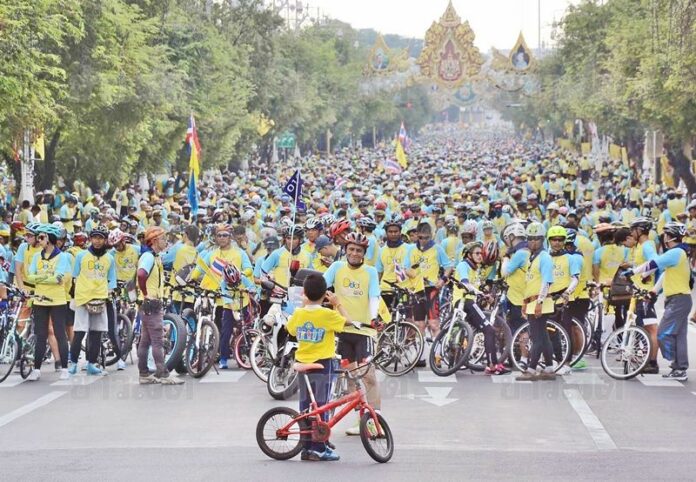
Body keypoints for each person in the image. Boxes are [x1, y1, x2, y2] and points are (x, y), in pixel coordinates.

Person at [286, 273, 350, 462]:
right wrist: (337, 303)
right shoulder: (328, 315)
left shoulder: (299, 313)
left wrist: (302, 306)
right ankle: (319, 448)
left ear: (304, 293)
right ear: (325, 294)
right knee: (321, 406)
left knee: (306, 406)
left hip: (302, 363)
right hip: (323, 363)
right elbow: (347, 321)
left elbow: (290, 329)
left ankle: (306, 446)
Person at [323, 232, 382, 436]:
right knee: (351, 376)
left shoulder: (370, 271)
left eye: (359, 250)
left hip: (364, 330)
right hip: (341, 330)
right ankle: (360, 419)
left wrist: (373, 317)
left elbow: (374, 296)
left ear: (364, 253)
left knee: (368, 375)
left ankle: (373, 421)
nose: (354, 253)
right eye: (351, 249)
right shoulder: (337, 267)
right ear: (345, 250)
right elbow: (321, 285)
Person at [623, 222, 691, 381]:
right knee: (679, 336)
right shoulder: (679, 253)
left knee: (663, 334)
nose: (663, 238)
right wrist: (653, 292)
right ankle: (680, 369)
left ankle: (674, 362)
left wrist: (633, 271)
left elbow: (654, 263)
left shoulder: (676, 252)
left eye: (665, 235)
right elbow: (665, 275)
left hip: (678, 300)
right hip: (680, 299)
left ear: (669, 237)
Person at [136, 226, 183, 384]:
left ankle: (143, 373)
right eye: (163, 239)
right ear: (155, 241)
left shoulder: (153, 257)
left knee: (146, 340)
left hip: (148, 302)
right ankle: (163, 374)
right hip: (151, 302)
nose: (166, 242)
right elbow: (141, 275)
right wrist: (146, 294)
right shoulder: (149, 257)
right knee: (157, 340)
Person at [454, 241, 509, 375]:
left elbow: (477, 288)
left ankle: (458, 360)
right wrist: (479, 293)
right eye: (477, 253)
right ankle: (492, 365)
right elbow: (465, 283)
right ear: (468, 255)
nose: (480, 256)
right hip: (464, 301)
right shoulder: (463, 265)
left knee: (486, 330)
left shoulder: (475, 269)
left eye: (481, 253)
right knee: (489, 330)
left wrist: (486, 295)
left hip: (469, 302)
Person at [26, 224, 72, 381]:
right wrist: (47, 278)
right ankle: (36, 369)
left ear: (50, 239)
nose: (38, 240)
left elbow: (58, 279)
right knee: (41, 335)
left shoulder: (63, 257)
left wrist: (40, 278)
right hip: (39, 300)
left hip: (58, 300)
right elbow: (29, 277)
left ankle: (65, 368)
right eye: (38, 237)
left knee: (60, 334)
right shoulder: (36, 257)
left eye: (41, 237)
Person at [69, 225, 116, 376]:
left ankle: (91, 363)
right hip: (83, 297)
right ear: (90, 239)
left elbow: (112, 280)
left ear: (105, 240)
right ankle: (74, 363)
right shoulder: (81, 256)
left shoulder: (109, 258)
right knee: (79, 331)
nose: (97, 241)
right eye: (95, 237)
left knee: (96, 332)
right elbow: (75, 275)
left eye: (101, 238)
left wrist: (111, 292)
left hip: (100, 298)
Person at [517, 222, 557, 381]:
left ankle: (532, 369)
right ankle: (549, 368)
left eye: (537, 239)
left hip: (541, 301)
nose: (533, 242)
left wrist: (539, 302)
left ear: (543, 240)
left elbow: (547, 282)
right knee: (544, 336)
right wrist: (526, 302)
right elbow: (531, 282)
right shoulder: (532, 257)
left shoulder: (545, 257)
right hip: (533, 301)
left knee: (537, 337)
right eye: (530, 239)